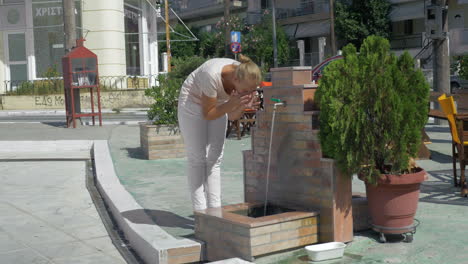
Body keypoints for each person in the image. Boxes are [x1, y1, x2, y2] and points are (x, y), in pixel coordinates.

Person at [178, 55, 261, 211]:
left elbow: (231, 116)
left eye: (252, 90)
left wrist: (243, 105)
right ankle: (200, 211)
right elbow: (208, 114)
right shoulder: (211, 74)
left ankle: (215, 209)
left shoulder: (245, 76)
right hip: (192, 102)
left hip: (219, 104)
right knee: (198, 158)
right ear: (235, 78)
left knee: (215, 158)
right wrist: (232, 103)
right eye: (245, 91)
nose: (247, 93)